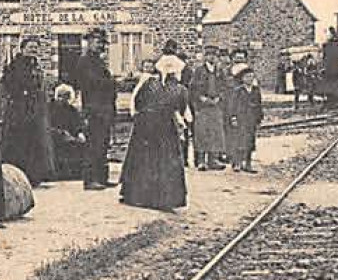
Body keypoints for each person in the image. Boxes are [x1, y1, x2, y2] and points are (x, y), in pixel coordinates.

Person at [119, 53, 189, 210]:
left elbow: (137, 101)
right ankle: (164, 198)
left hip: (145, 126)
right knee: (163, 160)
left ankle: (137, 196)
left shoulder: (150, 83)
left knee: (144, 159)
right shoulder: (180, 89)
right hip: (164, 127)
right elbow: (183, 109)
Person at [0, 39, 55, 185]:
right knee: (20, 142)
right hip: (19, 111)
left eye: (35, 48)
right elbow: (9, 85)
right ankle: (18, 175)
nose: (33, 50)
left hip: (33, 109)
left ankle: (34, 175)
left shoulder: (34, 65)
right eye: (30, 47)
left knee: (34, 142)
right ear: (22, 49)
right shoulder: (15, 66)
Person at [75, 29, 117, 190]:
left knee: (103, 144)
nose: (101, 46)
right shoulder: (84, 62)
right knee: (93, 144)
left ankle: (101, 177)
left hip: (104, 108)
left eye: (102, 43)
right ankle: (90, 179)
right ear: (89, 42)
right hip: (94, 108)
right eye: (97, 42)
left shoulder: (99, 62)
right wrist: (110, 83)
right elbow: (92, 83)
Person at [187, 47, 229, 171]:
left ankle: (213, 159)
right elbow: (192, 88)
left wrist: (219, 98)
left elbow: (224, 88)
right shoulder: (199, 71)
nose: (212, 58)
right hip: (202, 106)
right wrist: (201, 98)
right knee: (202, 133)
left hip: (216, 106)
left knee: (215, 132)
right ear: (205, 57)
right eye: (209, 55)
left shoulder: (220, 72)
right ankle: (200, 160)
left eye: (214, 55)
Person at [225, 62, 264, 172]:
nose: (250, 79)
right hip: (241, 118)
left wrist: (259, 118)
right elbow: (232, 106)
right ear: (242, 78)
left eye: (252, 77)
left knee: (250, 141)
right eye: (247, 77)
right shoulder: (238, 91)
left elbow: (259, 105)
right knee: (239, 140)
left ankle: (248, 163)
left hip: (251, 119)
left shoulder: (256, 90)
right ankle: (237, 162)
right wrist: (233, 117)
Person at [47, 82, 84, 180]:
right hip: (55, 135)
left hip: (70, 136)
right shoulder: (50, 108)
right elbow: (48, 126)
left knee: (79, 144)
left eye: (67, 97)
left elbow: (77, 124)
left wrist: (79, 133)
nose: (63, 99)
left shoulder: (72, 110)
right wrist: (61, 133)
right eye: (61, 96)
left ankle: (75, 173)